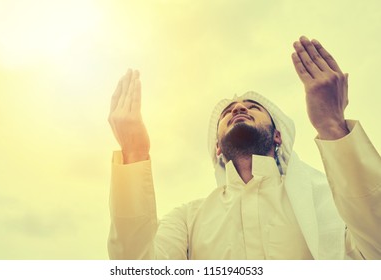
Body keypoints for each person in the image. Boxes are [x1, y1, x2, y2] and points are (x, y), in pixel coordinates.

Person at [107, 36, 381, 259]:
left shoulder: (332, 201)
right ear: (217, 148)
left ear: (277, 137)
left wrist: (333, 126)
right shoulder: (189, 220)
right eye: (228, 112)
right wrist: (134, 155)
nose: (238, 107)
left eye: (253, 107)